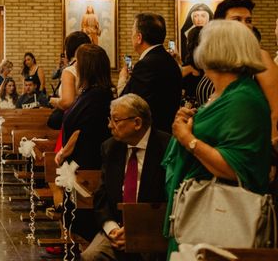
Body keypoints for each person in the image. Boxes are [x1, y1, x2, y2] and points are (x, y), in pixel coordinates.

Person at [163, 20, 272, 256]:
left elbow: (236, 167)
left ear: (217, 50)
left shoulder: (243, 99)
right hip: (194, 209)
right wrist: (189, 119)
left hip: (220, 217)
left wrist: (188, 140)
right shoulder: (219, 94)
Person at [81, 94, 170, 261]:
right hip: (117, 226)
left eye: (116, 120)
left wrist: (138, 230)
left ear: (137, 123)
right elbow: (102, 195)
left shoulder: (166, 147)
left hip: (152, 228)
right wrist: (112, 229)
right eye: (110, 119)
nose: (109, 125)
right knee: (91, 256)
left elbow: (168, 200)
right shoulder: (110, 147)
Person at [209, 0, 278, 140]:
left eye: (248, 20)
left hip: (247, 141)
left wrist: (270, 150)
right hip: (215, 139)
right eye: (237, 20)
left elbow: (276, 109)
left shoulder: (259, 56)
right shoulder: (216, 58)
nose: (245, 25)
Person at [118, 13, 182, 133]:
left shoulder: (145, 65)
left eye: (132, 33)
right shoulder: (169, 60)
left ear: (139, 37)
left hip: (152, 135)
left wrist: (122, 78)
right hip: (167, 131)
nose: (131, 37)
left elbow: (126, 104)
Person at [55, 44, 113, 171]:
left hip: (87, 165)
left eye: (77, 62)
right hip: (79, 162)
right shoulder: (90, 92)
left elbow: (81, 132)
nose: (75, 66)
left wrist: (63, 153)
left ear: (87, 68)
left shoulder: (97, 96)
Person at [50, 31, 92, 111]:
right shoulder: (93, 66)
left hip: (75, 118)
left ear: (69, 49)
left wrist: (54, 101)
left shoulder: (70, 70)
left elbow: (67, 102)